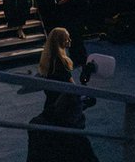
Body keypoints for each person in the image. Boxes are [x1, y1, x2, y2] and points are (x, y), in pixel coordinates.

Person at [26, 27, 98, 162]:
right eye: (67, 38)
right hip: (63, 106)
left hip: (51, 105)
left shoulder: (48, 61)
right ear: (60, 41)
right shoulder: (61, 63)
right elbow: (72, 89)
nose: (70, 41)